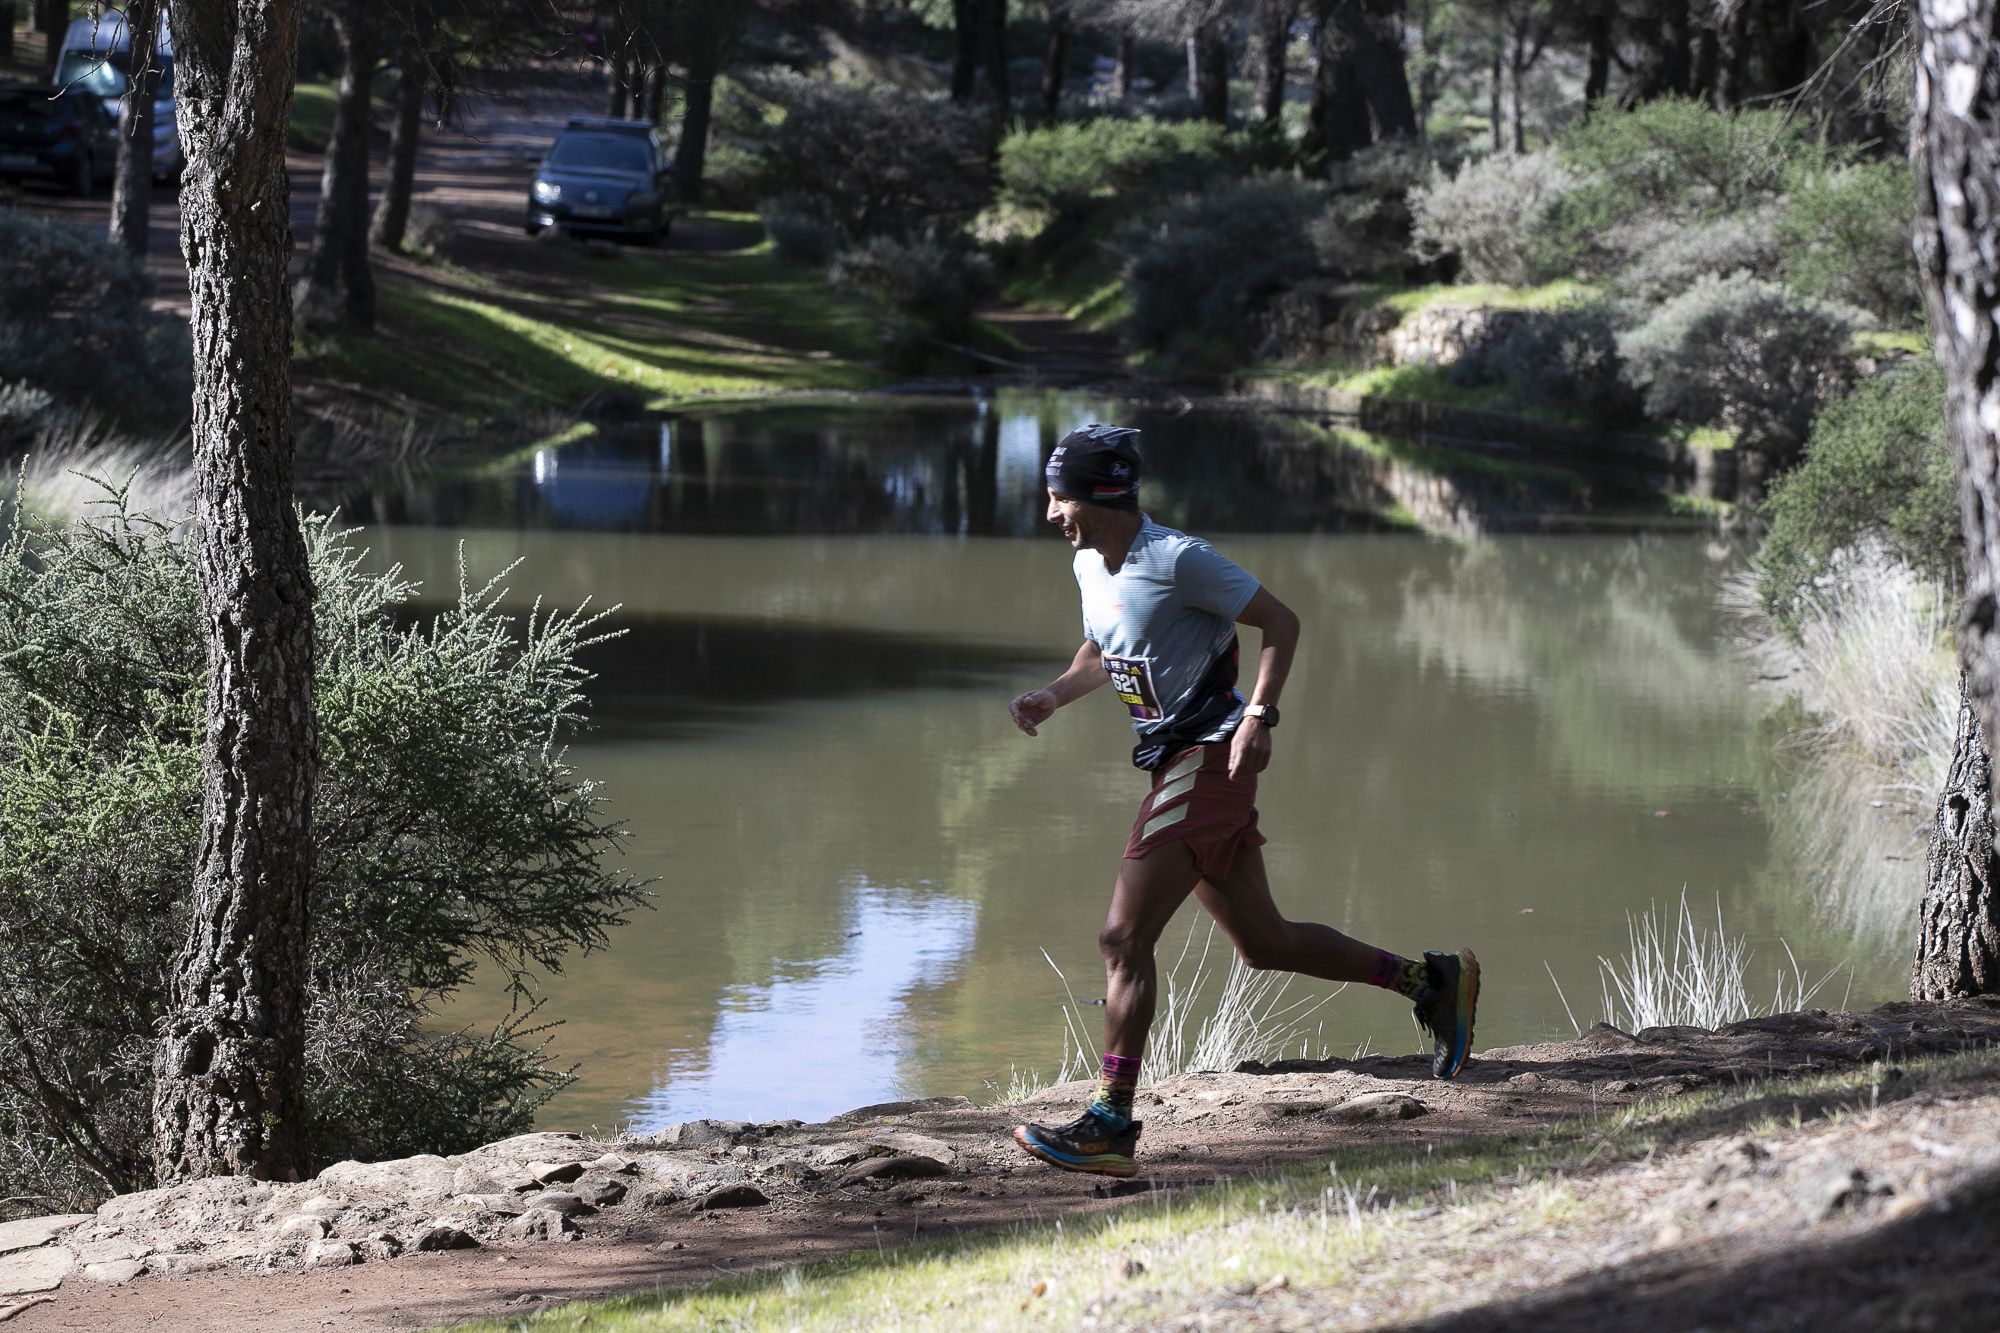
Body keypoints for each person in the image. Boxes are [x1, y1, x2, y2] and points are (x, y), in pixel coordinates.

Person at [1006, 423, 1479, 1179]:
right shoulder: (1090, 564)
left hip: (1209, 761)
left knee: (1122, 938)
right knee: (1265, 942)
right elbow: (1100, 650)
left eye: (1060, 498)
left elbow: (1281, 621)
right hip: (1172, 766)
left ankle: (1110, 1122)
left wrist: (1258, 715)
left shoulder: (1179, 559)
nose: (1051, 514)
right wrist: (1054, 696)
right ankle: (1431, 980)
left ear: (1102, 492)